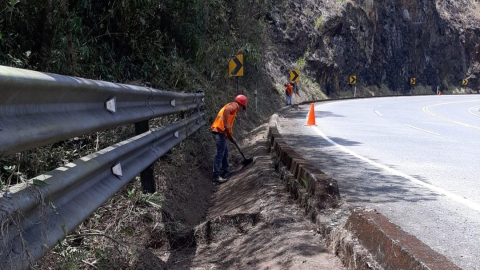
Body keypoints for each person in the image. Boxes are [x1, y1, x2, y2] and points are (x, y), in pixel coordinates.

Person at [210, 95, 248, 183]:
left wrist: (231, 138)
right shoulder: (235, 105)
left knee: (225, 152)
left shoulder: (232, 107)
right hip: (219, 130)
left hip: (221, 132)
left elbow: (227, 131)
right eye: (243, 108)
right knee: (220, 153)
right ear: (241, 105)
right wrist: (226, 124)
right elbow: (227, 111)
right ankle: (216, 176)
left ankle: (225, 171)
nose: (241, 110)